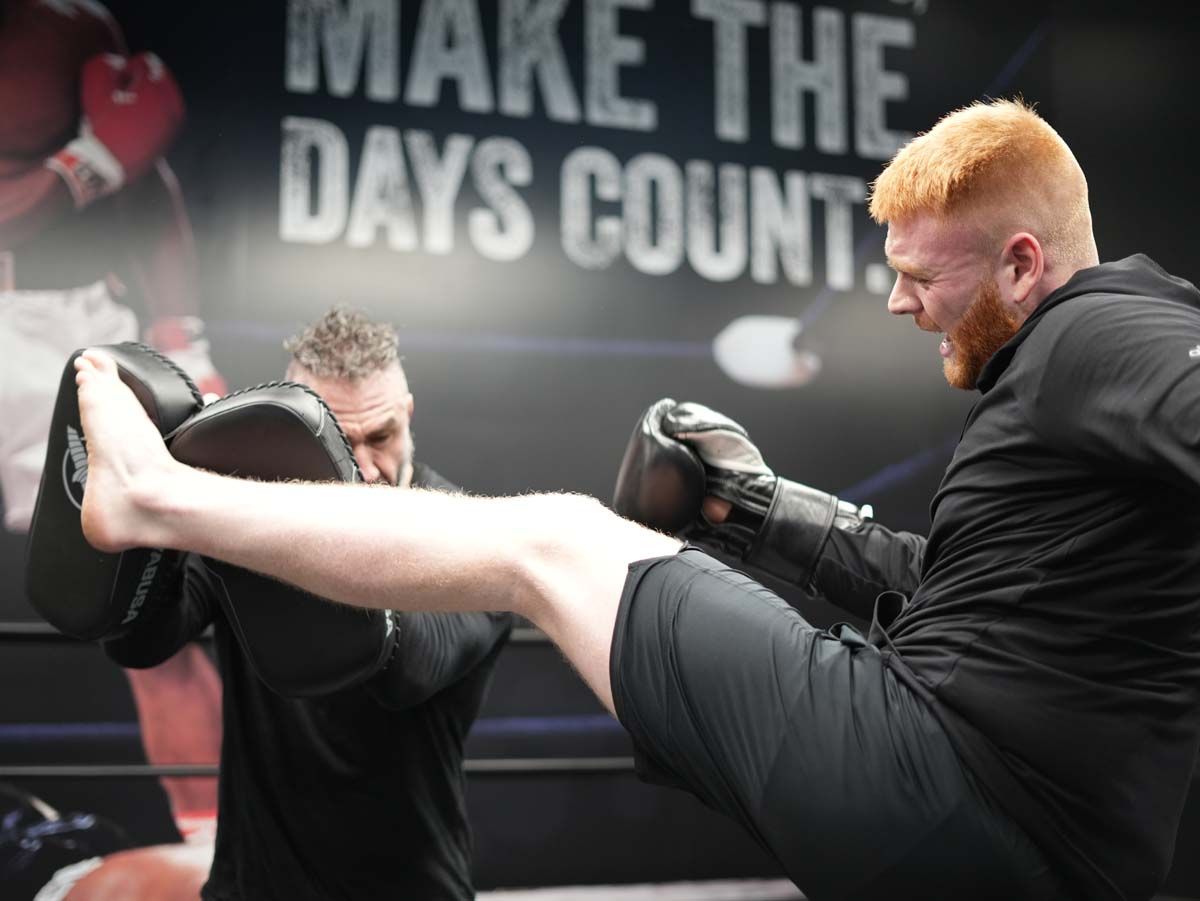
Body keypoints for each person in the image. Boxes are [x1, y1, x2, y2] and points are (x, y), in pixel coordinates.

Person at [68, 99, 1200, 901]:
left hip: (949, 781)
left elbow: (404, 651)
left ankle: (155, 491)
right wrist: (754, 506)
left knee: (554, 537)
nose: (898, 303)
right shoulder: (1059, 398)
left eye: (921, 273)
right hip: (1052, 846)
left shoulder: (1104, 327)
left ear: (1019, 263)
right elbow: (943, 595)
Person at [99, 307, 512, 901]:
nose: (367, 468)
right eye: (341, 444)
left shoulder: (471, 536)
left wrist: (248, 522)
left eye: (383, 436)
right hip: (251, 886)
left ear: (408, 414)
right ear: (297, 432)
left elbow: (407, 671)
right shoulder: (249, 524)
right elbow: (140, 644)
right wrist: (162, 501)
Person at [0, 0, 224, 851]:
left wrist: (181, 335)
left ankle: (210, 857)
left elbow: (146, 182)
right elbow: (113, 163)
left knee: (144, 608)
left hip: (69, 327)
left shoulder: (69, 25)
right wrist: (86, 166)